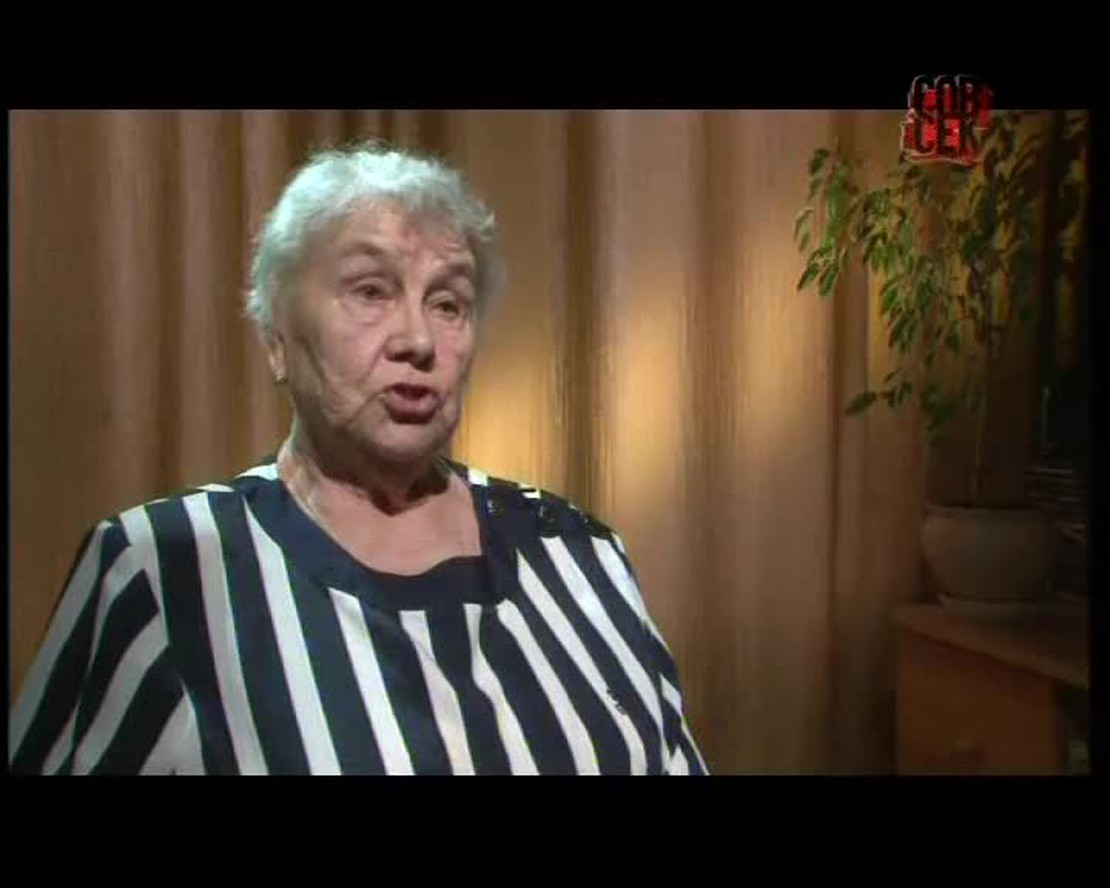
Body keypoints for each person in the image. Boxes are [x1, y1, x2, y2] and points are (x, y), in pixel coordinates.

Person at [9, 142, 708, 775]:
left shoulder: (579, 553)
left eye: (449, 303)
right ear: (278, 338)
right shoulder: (165, 569)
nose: (418, 341)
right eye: (371, 292)